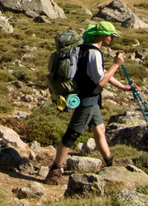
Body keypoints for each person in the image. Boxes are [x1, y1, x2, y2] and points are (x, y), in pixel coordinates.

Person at [44, 21, 133, 184]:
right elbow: (100, 79)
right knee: (71, 135)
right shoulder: (93, 53)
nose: (111, 40)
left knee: (99, 129)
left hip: (90, 98)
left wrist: (124, 87)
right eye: (110, 36)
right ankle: (54, 172)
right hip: (88, 99)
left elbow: (102, 73)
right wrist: (117, 64)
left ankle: (110, 162)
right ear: (102, 35)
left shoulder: (85, 48)